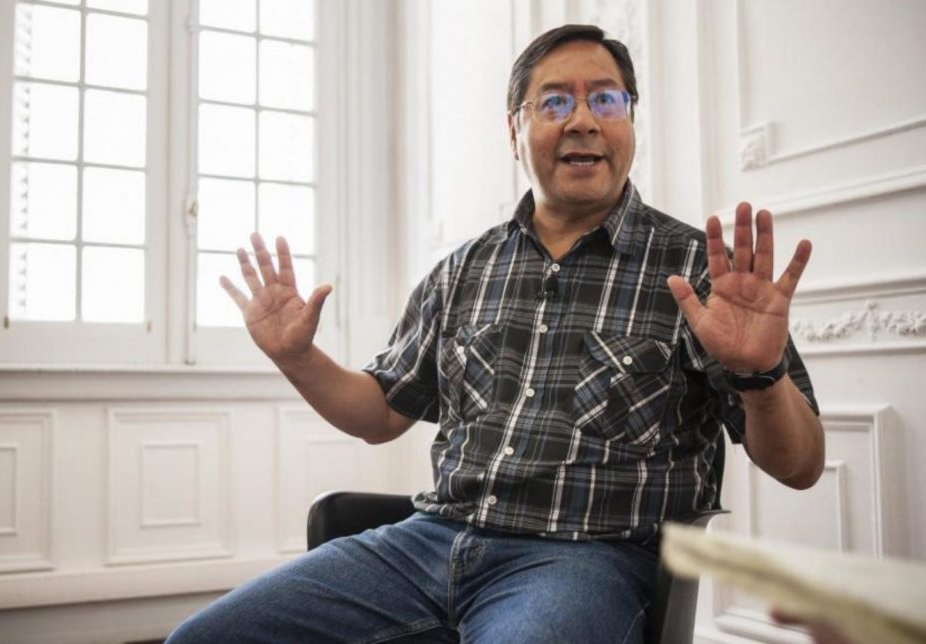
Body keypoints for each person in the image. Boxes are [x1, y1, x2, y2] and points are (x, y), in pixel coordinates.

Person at [166, 24, 824, 643]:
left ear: (630, 122)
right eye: (554, 102)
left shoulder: (699, 272)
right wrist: (298, 357)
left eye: (606, 99)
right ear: (515, 132)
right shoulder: (463, 269)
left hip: (585, 561)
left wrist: (760, 376)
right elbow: (381, 413)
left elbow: (800, 466)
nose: (583, 119)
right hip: (425, 543)